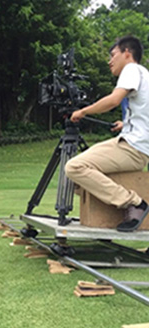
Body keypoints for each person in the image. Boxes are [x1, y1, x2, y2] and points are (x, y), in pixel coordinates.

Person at [65, 36, 149, 232]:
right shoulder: (144, 74)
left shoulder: (131, 69)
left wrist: (83, 111)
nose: (109, 61)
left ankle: (134, 203)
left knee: (74, 167)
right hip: (133, 142)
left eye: (113, 55)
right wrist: (125, 123)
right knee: (78, 177)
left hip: (133, 148)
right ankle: (101, 218)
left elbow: (113, 100)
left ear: (127, 53)